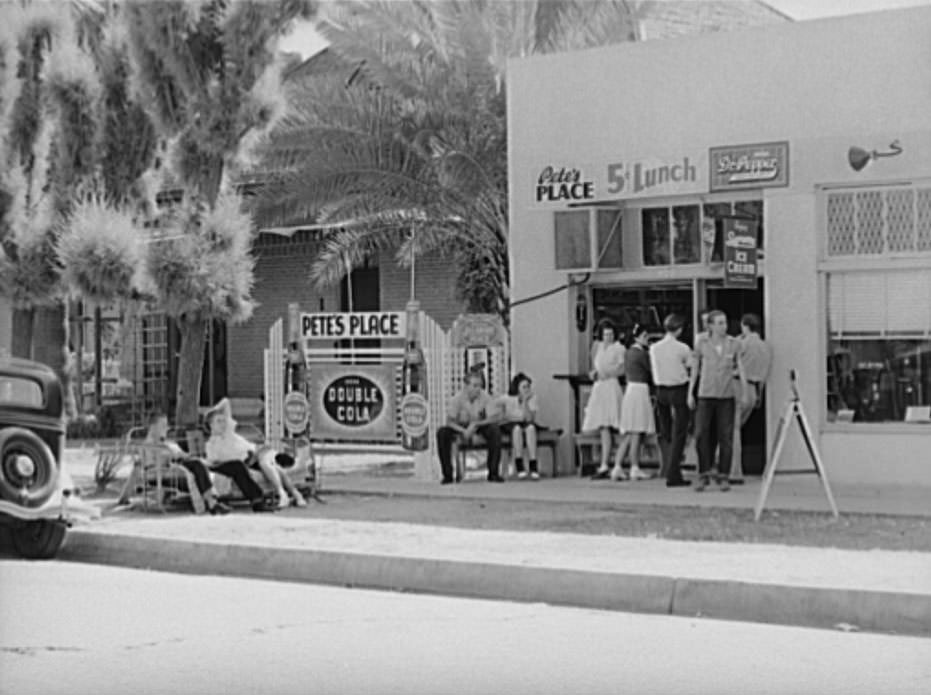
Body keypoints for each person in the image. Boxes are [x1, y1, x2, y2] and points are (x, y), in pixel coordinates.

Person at [204, 398, 307, 509]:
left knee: (265, 462)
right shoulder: (210, 445)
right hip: (248, 461)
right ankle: (296, 494)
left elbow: (226, 402)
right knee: (274, 467)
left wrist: (212, 412)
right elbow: (214, 462)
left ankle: (282, 494)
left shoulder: (229, 431)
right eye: (218, 421)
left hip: (258, 451)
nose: (223, 424)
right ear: (211, 425)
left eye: (224, 420)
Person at [688, 310, 748, 492]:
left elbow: (741, 368)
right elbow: (695, 368)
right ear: (711, 326)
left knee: (726, 436)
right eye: (720, 323)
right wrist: (690, 392)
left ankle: (723, 474)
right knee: (701, 434)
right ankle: (704, 472)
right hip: (705, 394)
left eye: (725, 322)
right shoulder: (702, 343)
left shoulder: (734, 344)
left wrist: (744, 391)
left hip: (726, 395)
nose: (724, 326)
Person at [143, 412, 231, 515]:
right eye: (163, 425)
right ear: (153, 427)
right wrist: (170, 458)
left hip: (178, 467)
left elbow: (180, 454)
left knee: (197, 464)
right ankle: (212, 502)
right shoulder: (149, 445)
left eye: (166, 425)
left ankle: (212, 502)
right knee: (197, 466)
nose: (166, 428)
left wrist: (180, 455)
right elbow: (151, 468)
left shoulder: (166, 443)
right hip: (166, 473)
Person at [436, 371, 504, 484]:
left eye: (480, 386)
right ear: (466, 386)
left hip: (478, 424)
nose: (478, 389)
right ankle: (447, 475)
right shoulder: (457, 399)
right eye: (475, 385)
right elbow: (450, 421)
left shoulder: (485, 397)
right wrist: (463, 431)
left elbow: (493, 418)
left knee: (495, 430)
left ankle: (493, 473)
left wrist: (476, 424)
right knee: (442, 433)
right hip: (460, 426)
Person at [650, 313, 692, 488]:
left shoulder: (654, 347)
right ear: (680, 329)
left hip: (661, 390)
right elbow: (690, 366)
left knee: (666, 432)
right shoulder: (682, 348)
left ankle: (668, 466)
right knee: (679, 432)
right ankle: (673, 473)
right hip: (678, 388)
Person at [731, 313, 772, 484]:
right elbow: (764, 375)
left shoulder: (741, 344)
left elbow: (730, 361)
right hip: (754, 389)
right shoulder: (765, 347)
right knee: (738, 428)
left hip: (738, 385)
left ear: (744, 325)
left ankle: (734, 471)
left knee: (732, 430)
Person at [609, 324, 654, 482]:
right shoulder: (641, 354)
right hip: (639, 390)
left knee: (629, 432)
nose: (647, 340)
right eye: (645, 337)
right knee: (636, 431)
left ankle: (617, 466)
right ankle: (634, 466)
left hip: (631, 389)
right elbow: (651, 370)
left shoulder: (628, 353)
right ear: (637, 338)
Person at [583, 319, 625, 480]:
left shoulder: (618, 348)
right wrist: (593, 374)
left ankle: (613, 463)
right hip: (599, 386)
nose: (608, 337)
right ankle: (604, 463)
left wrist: (610, 373)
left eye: (611, 334)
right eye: (606, 334)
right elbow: (593, 367)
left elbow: (622, 369)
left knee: (611, 423)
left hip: (611, 385)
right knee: (602, 425)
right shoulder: (597, 347)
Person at [499, 372, 540, 480]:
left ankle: (533, 464)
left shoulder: (533, 398)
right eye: (524, 387)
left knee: (531, 428)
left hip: (525, 422)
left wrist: (525, 402)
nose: (527, 389)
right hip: (509, 424)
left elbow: (529, 418)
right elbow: (494, 407)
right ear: (517, 388)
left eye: (528, 386)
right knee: (516, 429)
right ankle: (519, 463)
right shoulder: (507, 398)